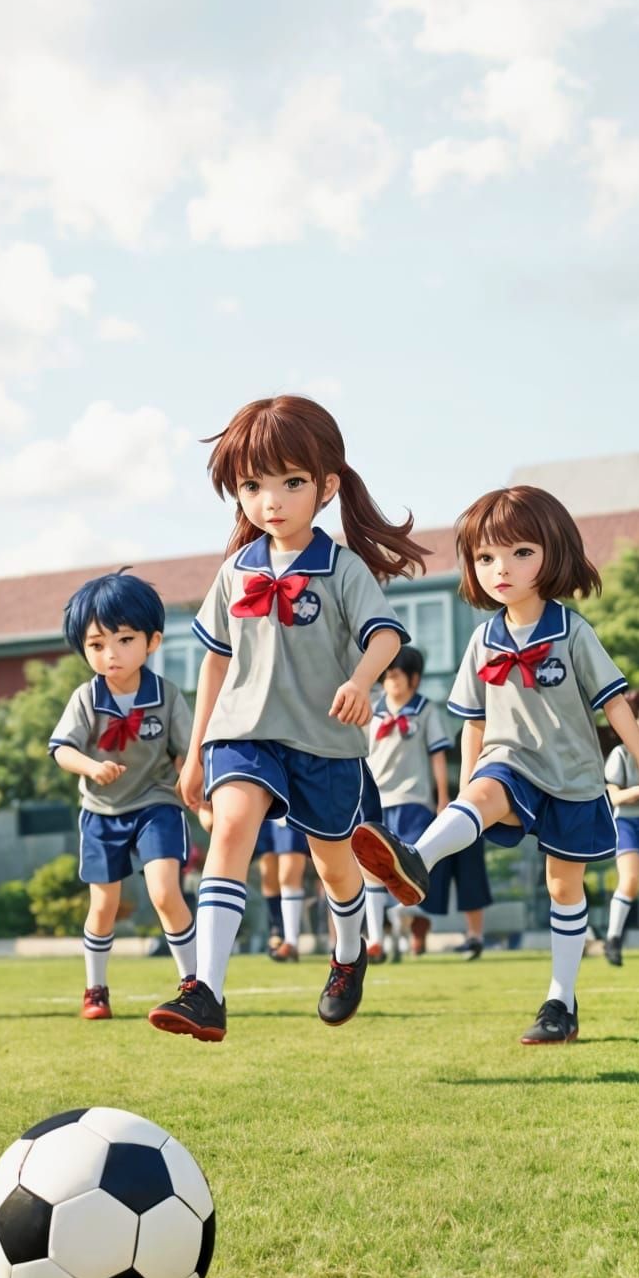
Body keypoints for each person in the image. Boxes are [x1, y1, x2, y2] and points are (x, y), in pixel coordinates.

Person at [153, 395, 425, 1043]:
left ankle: (349, 953)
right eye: (252, 485)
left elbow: (387, 639)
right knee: (231, 831)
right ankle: (206, 991)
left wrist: (362, 681)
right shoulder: (232, 574)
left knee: (334, 866)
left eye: (290, 482)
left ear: (326, 486)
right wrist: (194, 754)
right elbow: (214, 667)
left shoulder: (343, 569)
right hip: (242, 733)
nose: (270, 499)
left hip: (325, 742)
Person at [352, 486, 639, 1045]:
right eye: (486, 557)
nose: (502, 569)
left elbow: (614, 700)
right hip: (508, 761)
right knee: (485, 791)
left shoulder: (572, 632)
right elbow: (472, 721)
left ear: (552, 553)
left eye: (521, 553)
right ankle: (415, 859)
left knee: (563, 887)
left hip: (571, 777)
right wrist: (469, 783)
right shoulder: (482, 639)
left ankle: (559, 1003)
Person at [47, 573, 193, 1020]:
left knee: (165, 892)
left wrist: (200, 799)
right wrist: (92, 766)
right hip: (101, 811)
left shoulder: (167, 697)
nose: (110, 654)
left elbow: (187, 755)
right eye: (96, 645)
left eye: (124, 639)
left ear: (152, 641)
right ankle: (96, 989)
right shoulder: (85, 698)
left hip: (156, 804)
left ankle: (194, 984)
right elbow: (62, 750)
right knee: (104, 903)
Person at [367, 644, 491, 962]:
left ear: (414, 679)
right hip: (377, 800)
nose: (390, 682)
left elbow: (438, 756)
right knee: (372, 869)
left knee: (410, 867)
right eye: (387, 676)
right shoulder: (372, 710)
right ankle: (377, 940)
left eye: (397, 675)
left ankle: (408, 920)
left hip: (414, 801)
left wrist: (443, 800)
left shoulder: (425, 710)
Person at [602, 688, 639, 967]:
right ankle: (613, 939)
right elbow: (613, 797)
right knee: (631, 879)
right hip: (626, 822)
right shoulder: (619, 755)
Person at [254, 818, 311, 961]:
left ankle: (291, 941)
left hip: (292, 803)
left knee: (289, 870)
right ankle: (278, 931)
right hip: (266, 803)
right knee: (268, 870)